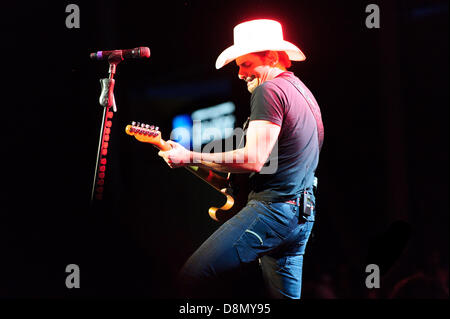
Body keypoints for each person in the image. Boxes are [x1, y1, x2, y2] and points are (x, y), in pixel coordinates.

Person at [158, 19, 324, 299]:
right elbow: (267, 165)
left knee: (189, 279)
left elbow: (254, 159)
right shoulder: (302, 93)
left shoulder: (268, 90)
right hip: (301, 217)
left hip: (273, 211)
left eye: (245, 64)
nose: (239, 73)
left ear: (271, 57)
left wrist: (189, 154)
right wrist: (189, 161)